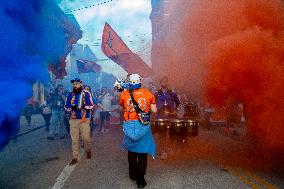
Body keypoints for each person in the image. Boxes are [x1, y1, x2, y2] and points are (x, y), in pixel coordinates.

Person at [119, 74, 157, 188]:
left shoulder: (124, 94)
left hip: (129, 125)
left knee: (131, 151)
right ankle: (140, 181)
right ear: (140, 81)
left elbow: (121, 108)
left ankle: (132, 175)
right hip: (142, 125)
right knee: (142, 152)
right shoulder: (148, 93)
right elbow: (154, 110)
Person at [65, 78, 94, 165]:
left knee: (86, 138)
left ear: (80, 84)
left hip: (84, 119)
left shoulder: (86, 94)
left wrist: (83, 106)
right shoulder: (70, 94)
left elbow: (91, 105)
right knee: (74, 140)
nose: (75, 85)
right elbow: (66, 106)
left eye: (76, 84)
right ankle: (75, 157)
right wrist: (70, 108)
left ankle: (88, 150)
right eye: (74, 84)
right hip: (73, 120)